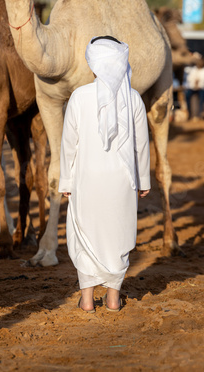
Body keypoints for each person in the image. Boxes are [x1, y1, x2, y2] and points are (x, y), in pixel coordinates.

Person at [58, 36, 150, 313]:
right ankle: (113, 298)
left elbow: (68, 144)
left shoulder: (78, 96)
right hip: (122, 180)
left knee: (85, 234)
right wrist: (143, 179)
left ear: (94, 64)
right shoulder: (133, 98)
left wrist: (66, 180)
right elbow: (141, 145)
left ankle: (87, 301)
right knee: (116, 236)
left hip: (86, 177)